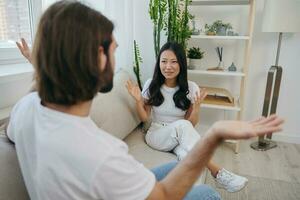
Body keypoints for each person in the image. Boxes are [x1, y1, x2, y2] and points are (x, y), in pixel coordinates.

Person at [7, 1, 283, 200]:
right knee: (208, 194)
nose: (116, 58)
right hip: (151, 146)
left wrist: (41, 67)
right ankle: (218, 176)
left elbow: (33, 103)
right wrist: (215, 135)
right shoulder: (102, 152)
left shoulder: (24, 110)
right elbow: (162, 195)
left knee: (181, 164)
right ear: (98, 59)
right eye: (114, 49)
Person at [126, 42, 250, 193]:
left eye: (173, 62)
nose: (168, 66)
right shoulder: (151, 85)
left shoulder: (191, 88)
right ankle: (218, 173)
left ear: (181, 64)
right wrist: (139, 101)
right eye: (164, 61)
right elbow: (145, 118)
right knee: (182, 125)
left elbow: (190, 124)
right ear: (159, 63)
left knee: (186, 156)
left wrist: (196, 108)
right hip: (157, 135)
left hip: (180, 134)